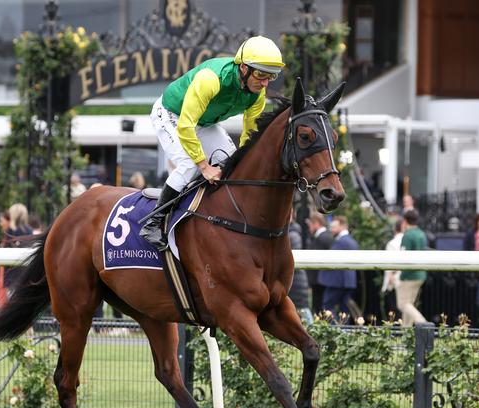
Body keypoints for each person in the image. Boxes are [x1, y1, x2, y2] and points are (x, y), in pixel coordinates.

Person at [140, 35, 284, 250]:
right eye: (261, 74)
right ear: (243, 68)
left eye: (270, 77)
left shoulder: (257, 95)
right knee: (190, 165)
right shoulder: (211, 79)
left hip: (204, 122)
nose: (264, 83)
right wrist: (204, 166)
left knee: (231, 162)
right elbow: (186, 125)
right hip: (173, 114)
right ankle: (154, 221)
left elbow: (249, 136)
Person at [317, 216, 359, 320]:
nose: (331, 229)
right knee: (344, 310)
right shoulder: (352, 242)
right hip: (348, 282)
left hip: (337, 282)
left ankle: (334, 331)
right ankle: (345, 332)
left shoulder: (341, 242)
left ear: (342, 226)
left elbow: (331, 260)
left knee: (328, 307)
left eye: (334, 226)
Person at [396, 210, 428, 327]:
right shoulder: (421, 234)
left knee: (402, 304)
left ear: (405, 221)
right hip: (420, 274)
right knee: (409, 304)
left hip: (409, 275)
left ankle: (423, 323)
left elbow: (403, 257)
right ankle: (406, 332)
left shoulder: (408, 235)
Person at [288, 210, 313, 324]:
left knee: (304, 316)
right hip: (295, 283)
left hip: (296, 284)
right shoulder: (293, 233)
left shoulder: (292, 235)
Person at [307, 213, 334, 314]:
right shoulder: (325, 236)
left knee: (319, 308)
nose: (309, 228)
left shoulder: (322, 238)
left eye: (310, 225)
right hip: (319, 280)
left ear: (316, 223)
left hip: (320, 281)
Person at [381, 218, 404, 318]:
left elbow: (390, 263)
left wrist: (390, 276)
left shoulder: (392, 243)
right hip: (404, 279)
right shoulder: (406, 240)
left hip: (393, 281)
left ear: (395, 228)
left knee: (394, 310)